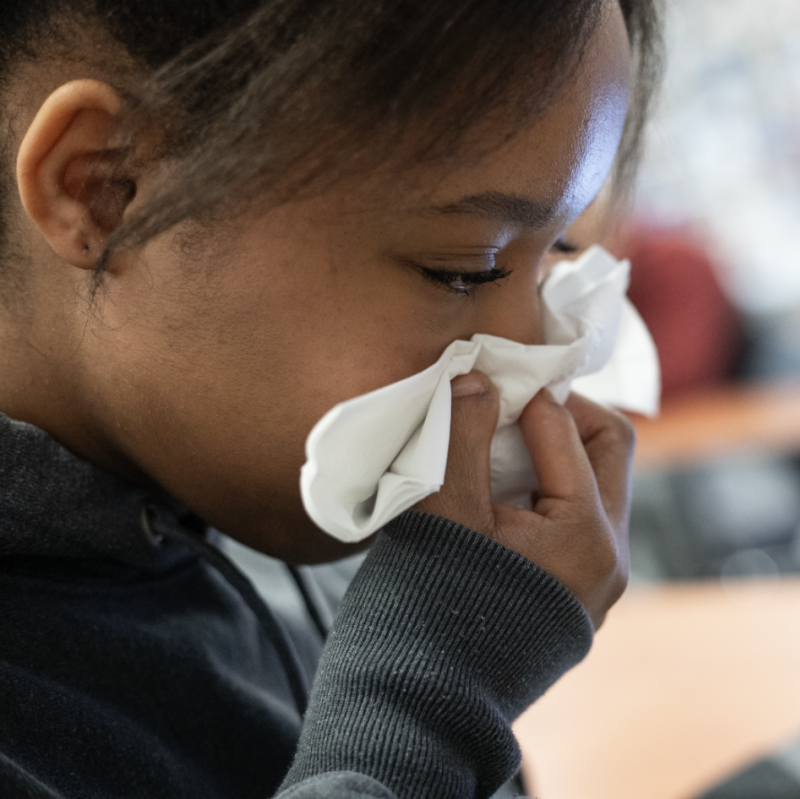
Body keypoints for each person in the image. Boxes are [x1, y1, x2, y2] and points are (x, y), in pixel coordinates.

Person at [0, 0, 660, 797]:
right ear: (105, 189)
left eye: (556, 247)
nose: (532, 352)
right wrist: (429, 699)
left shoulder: (241, 520)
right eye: (464, 267)